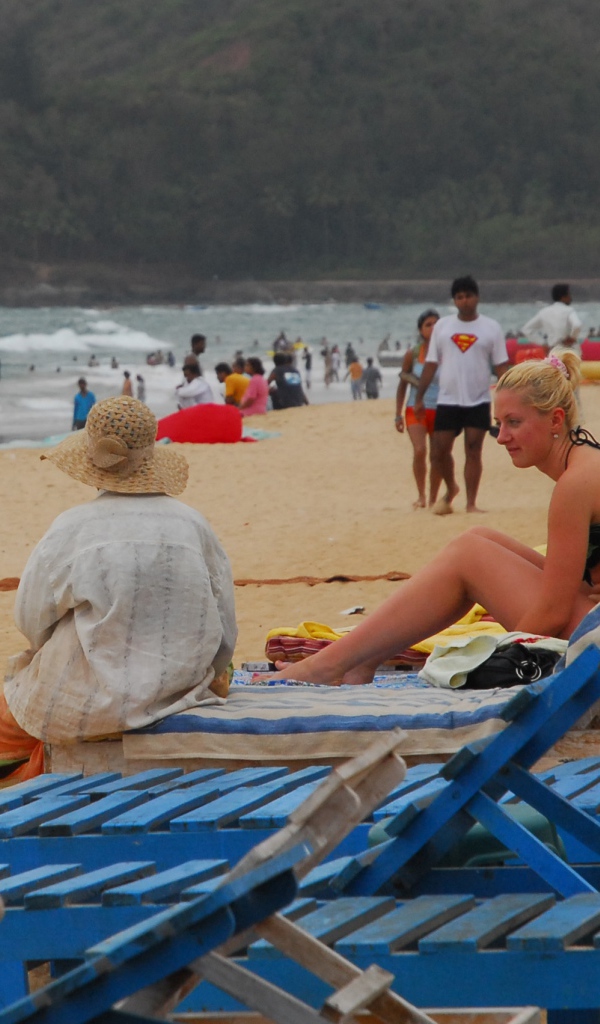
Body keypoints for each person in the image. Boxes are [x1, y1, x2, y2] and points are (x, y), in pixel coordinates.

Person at [263, 351, 600, 687]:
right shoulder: (588, 457)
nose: (501, 437)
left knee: (470, 555)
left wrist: (496, 661)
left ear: (556, 420)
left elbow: (553, 613)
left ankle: (330, 666)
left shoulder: (574, 485)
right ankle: (358, 662)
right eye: (499, 424)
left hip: (592, 639)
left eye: (514, 423)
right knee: (480, 537)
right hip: (590, 616)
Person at [0, 396, 236, 781]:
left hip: (83, 701)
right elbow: (225, 631)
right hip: (180, 694)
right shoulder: (194, 525)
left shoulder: (71, 528)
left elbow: (31, 621)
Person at [414, 276, 509, 514]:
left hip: (478, 399)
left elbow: (501, 367)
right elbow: (431, 364)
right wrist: (419, 397)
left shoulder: (491, 328)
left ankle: (471, 503)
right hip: (447, 399)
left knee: (474, 450)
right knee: (439, 450)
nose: (465, 301)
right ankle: (451, 486)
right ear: (454, 300)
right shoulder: (443, 327)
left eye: (468, 296)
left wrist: (509, 396)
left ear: (477, 297)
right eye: (460, 297)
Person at [395, 310, 441, 508]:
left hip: (441, 408)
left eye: (436, 324)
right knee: (420, 450)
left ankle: (433, 497)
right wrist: (397, 414)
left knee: (438, 454)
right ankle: (421, 495)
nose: (433, 328)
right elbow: (402, 383)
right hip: (415, 408)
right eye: (428, 325)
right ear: (421, 330)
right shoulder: (413, 354)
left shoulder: (447, 354)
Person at [521, 284, 582, 355]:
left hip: (553, 351)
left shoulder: (544, 312)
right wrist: (572, 338)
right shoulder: (569, 310)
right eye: (569, 295)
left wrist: (543, 343)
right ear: (563, 297)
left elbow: (526, 329)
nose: (570, 298)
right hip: (569, 350)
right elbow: (577, 325)